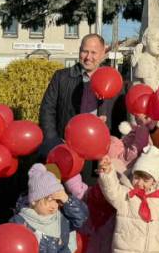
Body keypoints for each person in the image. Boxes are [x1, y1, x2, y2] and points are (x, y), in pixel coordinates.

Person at [39, 34, 124, 177]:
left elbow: (120, 118)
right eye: (85, 51)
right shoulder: (61, 77)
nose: (88, 57)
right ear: (79, 51)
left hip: (99, 156)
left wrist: (113, 149)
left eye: (93, 53)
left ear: (103, 54)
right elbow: (47, 110)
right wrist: (53, 142)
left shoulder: (114, 81)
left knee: (93, 189)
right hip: (67, 150)